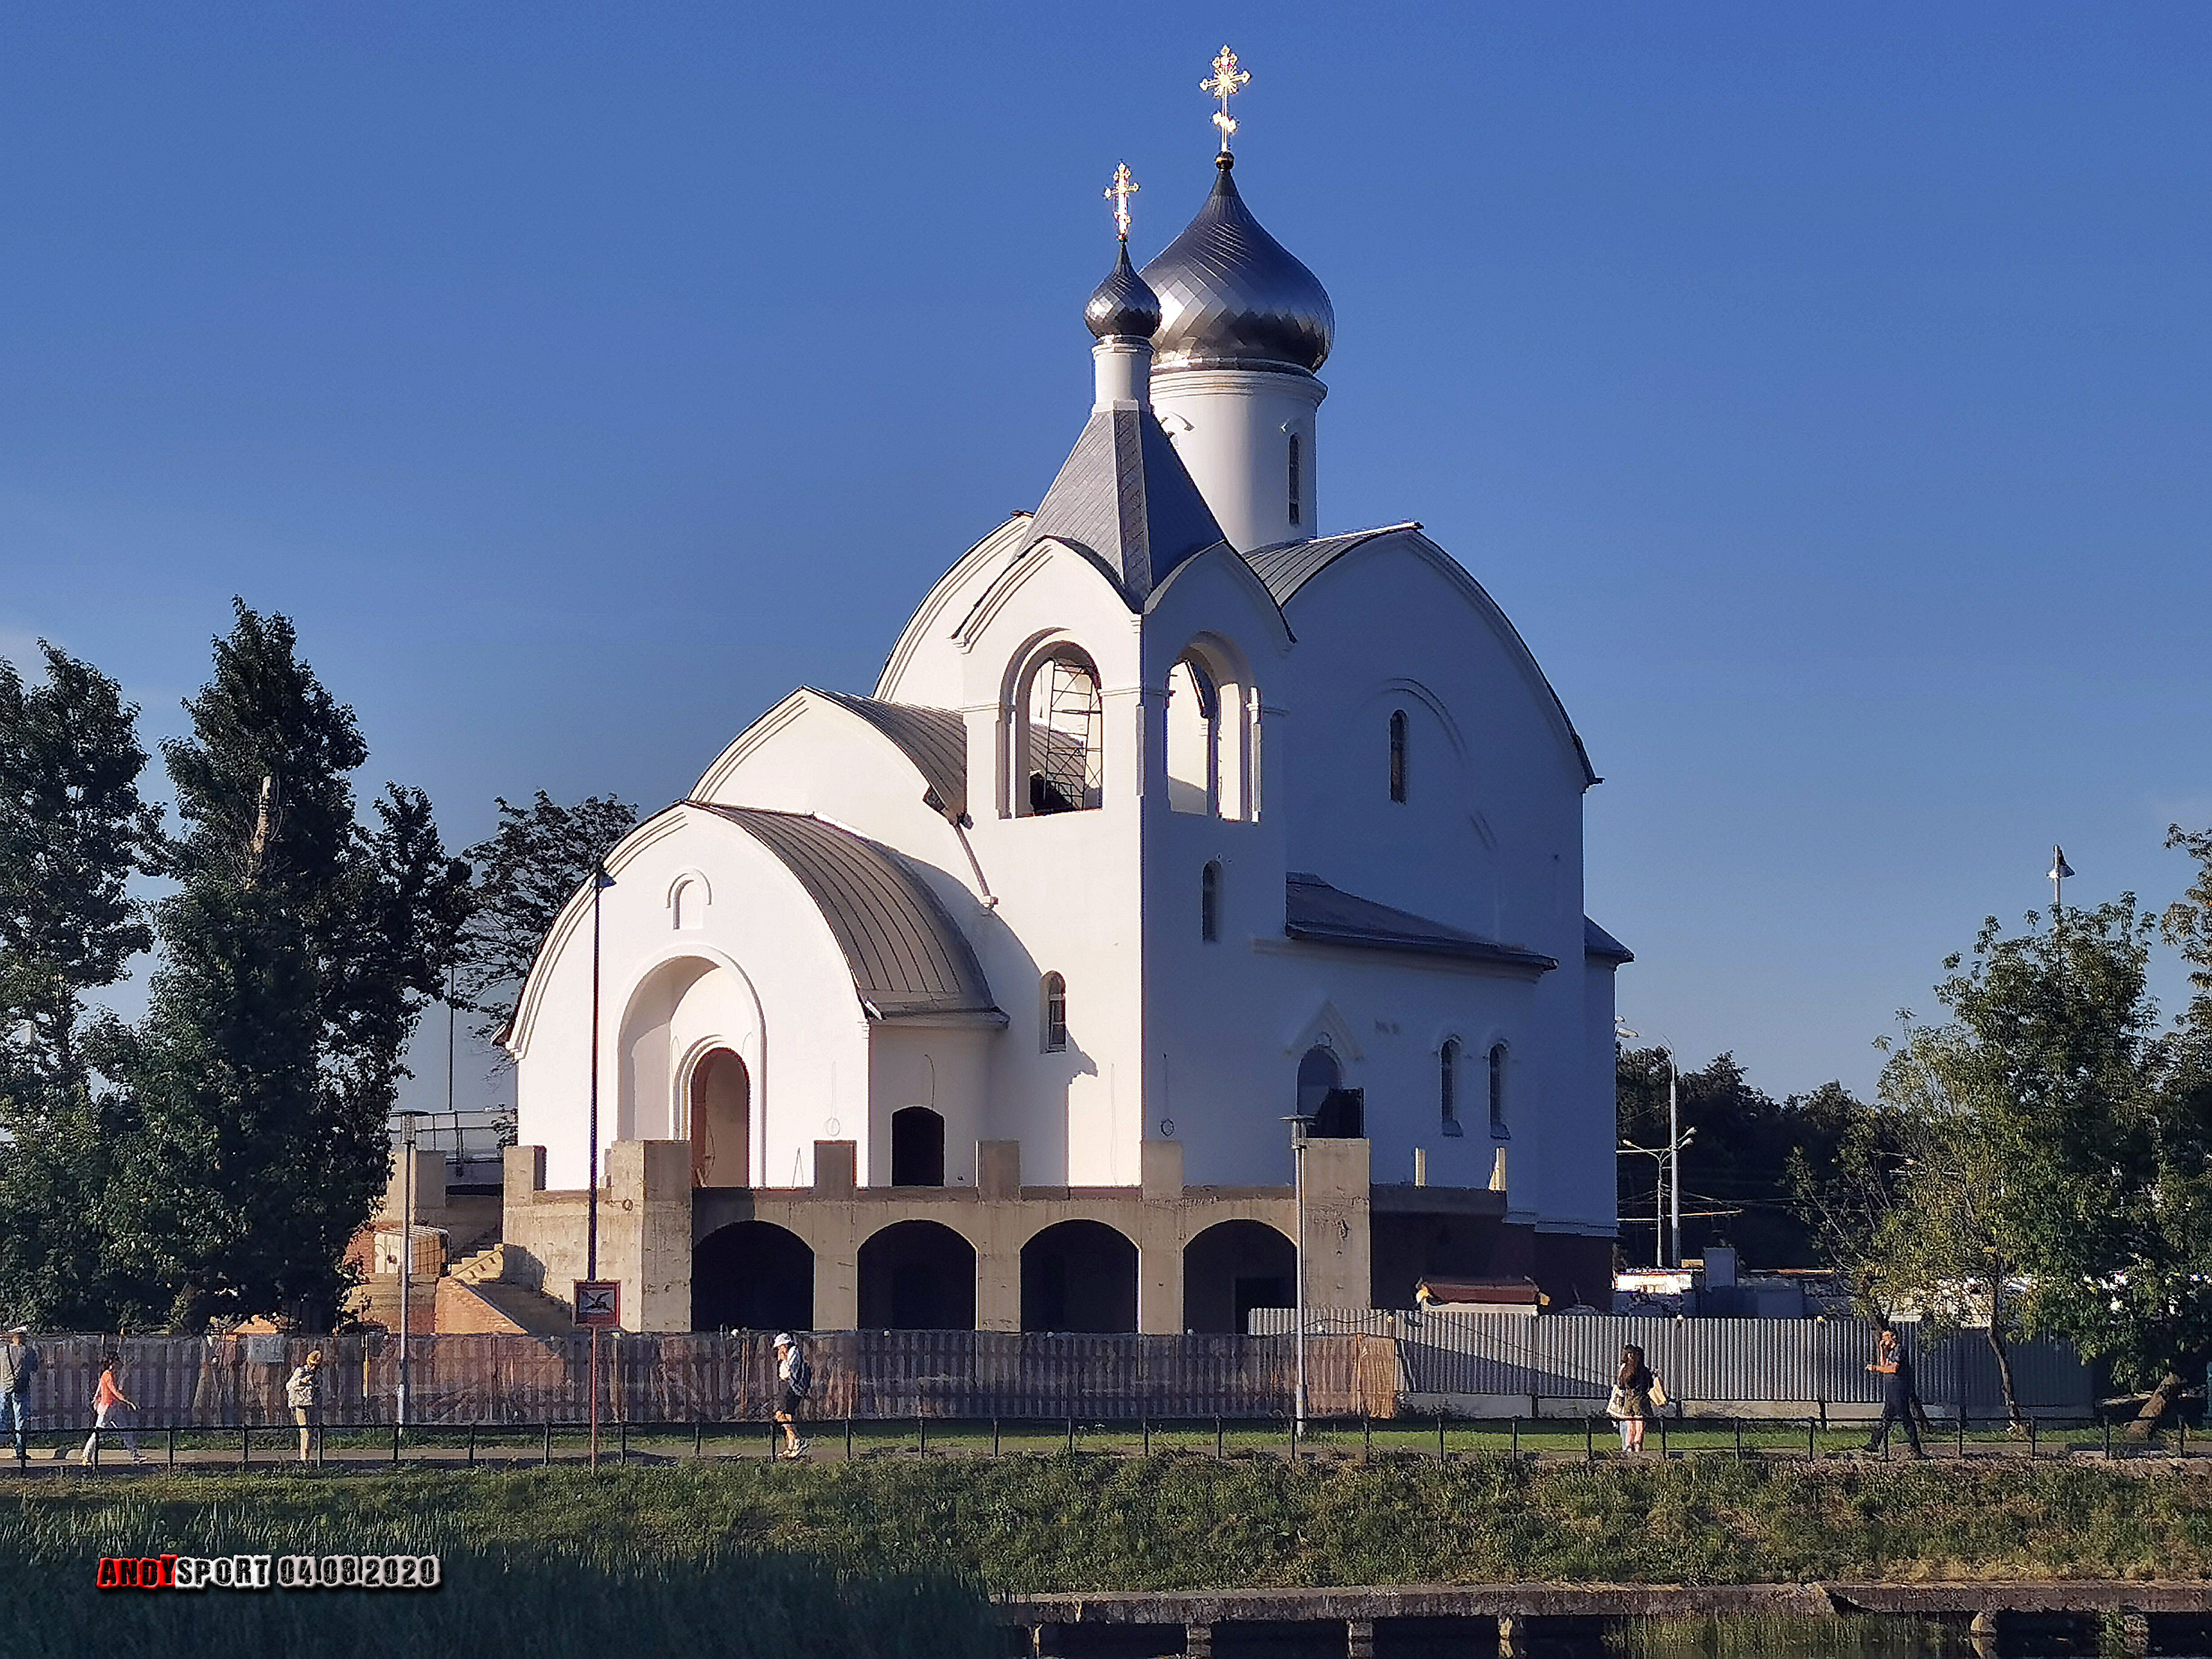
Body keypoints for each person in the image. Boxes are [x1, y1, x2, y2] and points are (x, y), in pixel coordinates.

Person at [1865, 1328, 1927, 1458]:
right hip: (1891, 1390)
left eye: (1885, 1337)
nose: (1883, 1339)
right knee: (1886, 1419)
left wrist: (1875, 1368)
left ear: (1893, 1337)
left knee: (1906, 1419)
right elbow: (1884, 1365)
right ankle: (1874, 1444)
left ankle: (1916, 1450)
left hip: (1899, 1389)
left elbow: (1893, 1369)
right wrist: (1881, 1349)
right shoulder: (1891, 1352)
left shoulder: (1900, 1350)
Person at [79, 1356, 142, 1464]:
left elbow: (100, 1390)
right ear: (113, 1363)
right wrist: (129, 1402)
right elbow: (115, 1392)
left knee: (125, 1430)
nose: (120, 1364)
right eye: (118, 1362)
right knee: (98, 1431)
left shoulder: (111, 1375)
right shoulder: (108, 1375)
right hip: (107, 1408)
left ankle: (135, 1455)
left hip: (114, 1407)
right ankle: (86, 1456)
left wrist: (96, 1399)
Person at [1607, 1344, 1662, 1454]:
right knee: (1639, 1427)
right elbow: (1650, 1386)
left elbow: (1621, 1385)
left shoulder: (1626, 1370)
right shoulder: (1644, 1371)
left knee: (1630, 1427)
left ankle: (1629, 1449)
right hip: (1640, 1400)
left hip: (1628, 1400)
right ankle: (1638, 1449)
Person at [1, 1327, 39, 1467]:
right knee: (20, 1420)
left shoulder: (2, 1352)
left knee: (1, 1417)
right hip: (21, 1389)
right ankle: (20, 1451)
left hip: (4, 1387)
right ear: (22, 1338)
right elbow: (35, 1368)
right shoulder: (28, 1352)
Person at [772, 1333, 812, 1460]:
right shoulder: (787, 1355)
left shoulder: (793, 1352)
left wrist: (784, 1361)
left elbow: (789, 1372)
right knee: (787, 1416)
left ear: (785, 1345)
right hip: (789, 1387)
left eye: (780, 1347)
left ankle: (798, 1440)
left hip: (793, 1388)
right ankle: (792, 1446)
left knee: (781, 1414)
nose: (779, 1349)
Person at [286, 1350, 324, 1465]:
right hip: (301, 1404)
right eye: (312, 1365)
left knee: (313, 1431)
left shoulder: (318, 1375)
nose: (313, 1368)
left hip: (313, 1405)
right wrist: (302, 1381)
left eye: (316, 1366)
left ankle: (309, 1456)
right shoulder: (300, 1371)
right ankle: (304, 1458)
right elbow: (289, 1385)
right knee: (305, 1431)